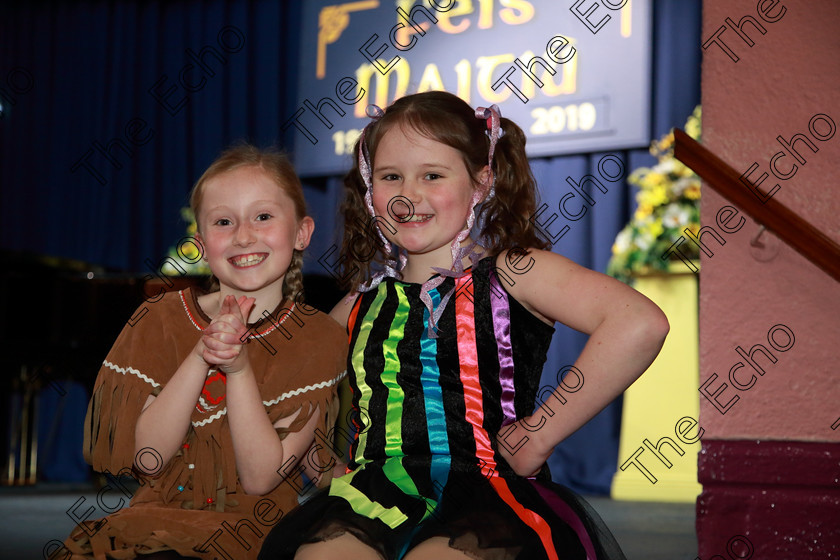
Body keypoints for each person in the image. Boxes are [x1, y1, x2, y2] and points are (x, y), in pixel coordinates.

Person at [258, 91, 670, 560]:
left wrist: (541, 433)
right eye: (391, 176)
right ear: (370, 188)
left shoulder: (514, 273)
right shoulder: (357, 303)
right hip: (369, 498)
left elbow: (638, 323)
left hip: (487, 496)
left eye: (432, 175)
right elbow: (293, 400)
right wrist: (325, 468)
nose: (408, 195)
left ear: (480, 182)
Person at [60, 145, 348, 560]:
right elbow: (151, 458)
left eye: (263, 217)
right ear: (201, 242)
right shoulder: (160, 317)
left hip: (250, 530)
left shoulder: (317, 336)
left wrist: (239, 368)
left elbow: (260, 478)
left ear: (302, 232)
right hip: (153, 522)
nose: (243, 235)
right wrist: (200, 355)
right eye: (223, 222)